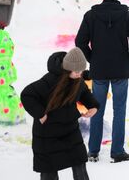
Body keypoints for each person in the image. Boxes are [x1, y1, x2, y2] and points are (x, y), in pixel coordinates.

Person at [75, 0, 129, 163]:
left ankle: (93, 151)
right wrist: (128, 60)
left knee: (96, 109)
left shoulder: (91, 15)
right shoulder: (127, 16)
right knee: (119, 110)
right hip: (120, 71)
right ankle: (117, 151)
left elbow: (80, 42)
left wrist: (92, 59)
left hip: (99, 71)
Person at [21, 49, 99, 180]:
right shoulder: (49, 81)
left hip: (70, 130)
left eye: (81, 71)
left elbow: (84, 93)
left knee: (79, 161)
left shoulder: (77, 80)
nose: (80, 74)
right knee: (49, 169)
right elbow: (27, 94)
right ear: (68, 69)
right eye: (77, 71)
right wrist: (40, 114)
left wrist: (93, 106)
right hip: (48, 132)